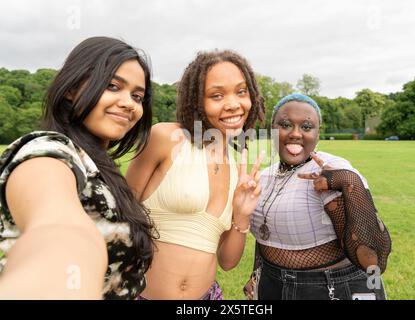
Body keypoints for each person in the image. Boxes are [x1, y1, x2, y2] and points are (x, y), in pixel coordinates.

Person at [0, 36, 157, 299]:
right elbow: (58, 229)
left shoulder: (99, 166)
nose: (129, 103)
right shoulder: (49, 152)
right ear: (72, 89)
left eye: (137, 96)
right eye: (112, 86)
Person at [126, 50, 265, 300]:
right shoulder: (165, 138)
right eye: (217, 95)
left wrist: (242, 215)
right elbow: (117, 218)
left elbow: (227, 261)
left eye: (241, 91)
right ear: (196, 101)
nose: (234, 104)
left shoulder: (235, 169)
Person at [244, 93, 391, 300]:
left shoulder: (331, 169)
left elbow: (373, 263)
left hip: (329, 286)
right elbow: (266, 233)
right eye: (285, 124)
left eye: (306, 127)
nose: (295, 134)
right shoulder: (265, 175)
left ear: (318, 133)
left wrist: (349, 182)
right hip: (272, 284)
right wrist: (256, 272)